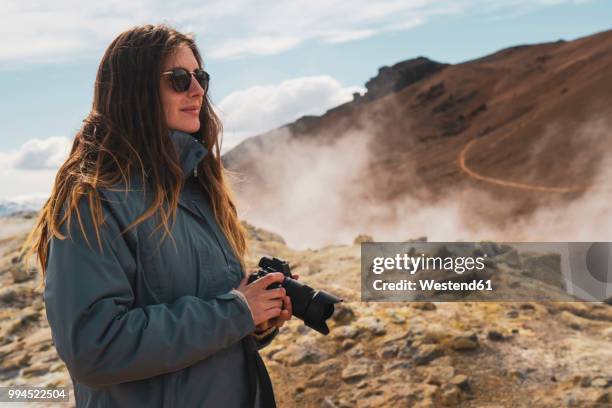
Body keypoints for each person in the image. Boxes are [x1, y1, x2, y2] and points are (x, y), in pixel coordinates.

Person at [22, 23, 298, 407]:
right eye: (179, 79)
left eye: (200, 77)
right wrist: (235, 313)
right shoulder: (93, 201)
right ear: (134, 92)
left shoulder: (199, 190)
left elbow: (211, 321)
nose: (198, 90)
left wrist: (255, 320)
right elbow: (95, 349)